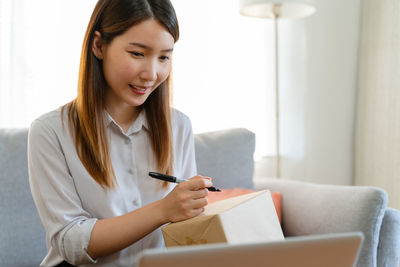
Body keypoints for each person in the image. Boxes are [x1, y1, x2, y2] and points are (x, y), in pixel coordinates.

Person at [27, 0, 213, 266]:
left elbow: (182, 233)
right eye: (138, 53)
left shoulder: (179, 126)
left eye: (164, 57)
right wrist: (163, 210)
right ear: (98, 46)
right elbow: (71, 242)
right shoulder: (50, 132)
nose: (151, 74)